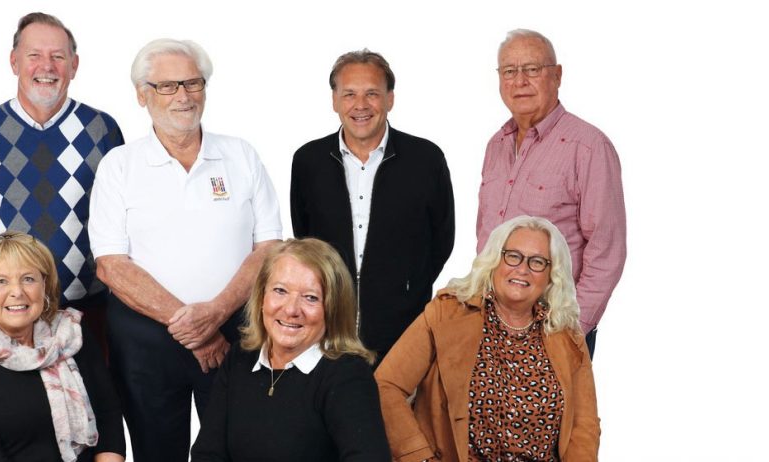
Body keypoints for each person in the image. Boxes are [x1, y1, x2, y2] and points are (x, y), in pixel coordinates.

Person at [87, 38, 282, 462]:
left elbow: (269, 248)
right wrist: (196, 330)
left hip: (235, 335)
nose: (184, 96)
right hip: (145, 344)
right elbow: (111, 266)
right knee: (158, 454)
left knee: (239, 449)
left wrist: (215, 315)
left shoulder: (240, 155)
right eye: (167, 86)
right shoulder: (119, 165)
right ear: (142, 95)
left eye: (193, 83)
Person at [0, 13, 124, 347]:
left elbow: (120, 217)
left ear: (74, 65)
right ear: (14, 62)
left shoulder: (103, 130)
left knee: (95, 383)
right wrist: (5, 279)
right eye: (34, 55)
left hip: (90, 310)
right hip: (7, 314)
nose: (47, 66)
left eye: (58, 56)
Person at [376, 216, 599, 462]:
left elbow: (584, 426)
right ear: (494, 260)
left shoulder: (567, 336)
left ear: (551, 276)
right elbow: (387, 386)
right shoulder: (446, 313)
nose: (522, 269)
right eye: (513, 256)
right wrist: (418, 457)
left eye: (537, 262)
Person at [291, 49, 454, 363]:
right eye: (349, 94)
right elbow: (305, 239)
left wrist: (407, 290)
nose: (361, 105)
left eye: (372, 94)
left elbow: (442, 239)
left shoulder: (426, 159)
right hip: (327, 329)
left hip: (403, 331)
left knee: (395, 396)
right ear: (335, 100)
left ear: (390, 99)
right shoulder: (308, 161)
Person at [477, 29, 625, 357]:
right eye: (509, 71)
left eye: (532, 69)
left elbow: (607, 251)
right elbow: (485, 237)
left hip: (554, 330)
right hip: (492, 326)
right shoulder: (496, 145)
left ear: (557, 75)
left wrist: (570, 330)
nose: (520, 81)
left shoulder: (588, 147)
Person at [0, 232, 125, 462]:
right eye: (1, 281)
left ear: (44, 284)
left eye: (28, 279)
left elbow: (109, 419)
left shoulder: (72, 335)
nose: (17, 292)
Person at [191, 238, 391, 461]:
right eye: (280, 290)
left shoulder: (348, 375)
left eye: (310, 297)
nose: (291, 310)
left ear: (333, 308)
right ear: (261, 297)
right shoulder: (240, 358)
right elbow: (207, 454)